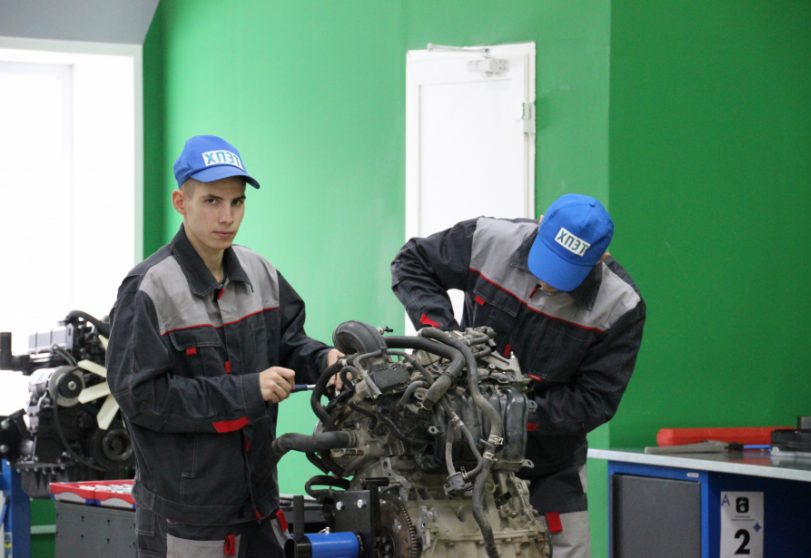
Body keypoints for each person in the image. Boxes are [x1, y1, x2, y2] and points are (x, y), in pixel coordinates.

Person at [107, 134, 340, 558]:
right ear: (181, 202)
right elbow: (142, 397)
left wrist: (326, 360)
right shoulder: (149, 288)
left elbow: (290, 343)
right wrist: (248, 390)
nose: (227, 216)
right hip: (189, 518)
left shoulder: (260, 271)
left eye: (237, 202)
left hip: (259, 504)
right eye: (212, 201)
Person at [390, 194, 645, 558]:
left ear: (601, 258)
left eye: (565, 274)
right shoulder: (488, 239)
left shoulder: (620, 307)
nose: (548, 283)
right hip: (460, 451)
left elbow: (594, 400)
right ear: (540, 223)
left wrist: (513, 414)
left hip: (548, 464)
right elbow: (411, 262)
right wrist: (446, 340)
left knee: (567, 550)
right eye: (547, 261)